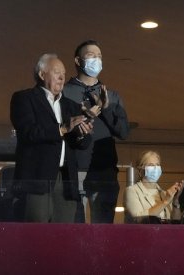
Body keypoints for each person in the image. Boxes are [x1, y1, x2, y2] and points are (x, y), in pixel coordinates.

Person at [10, 53, 93, 222]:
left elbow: (82, 144)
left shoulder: (72, 106)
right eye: (56, 72)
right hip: (37, 179)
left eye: (63, 73)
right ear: (42, 74)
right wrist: (62, 129)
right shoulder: (24, 99)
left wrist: (83, 134)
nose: (62, 77)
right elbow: (28, 133)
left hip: (66, 180)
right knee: (37, 234)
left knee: (63, 236)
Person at [62, 40, 129, 223]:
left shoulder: (112, 95)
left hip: (105, 170)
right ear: (78, 61)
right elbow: (60, 128)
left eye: (99, 56)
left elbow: (123, 132)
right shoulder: (64, 93)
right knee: (75, 227)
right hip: (74, 169)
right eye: (91, 55)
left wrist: (106, 108)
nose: (97, 60)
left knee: (103, 230)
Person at [124, 150, 184, 224]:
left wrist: (175, 201)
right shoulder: (132, 191)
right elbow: (138, 219)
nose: (156, 168)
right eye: (151, 165)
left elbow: (176, 222)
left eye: (157, 165)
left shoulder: (164, 193)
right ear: (140, 170)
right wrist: (165, 202)